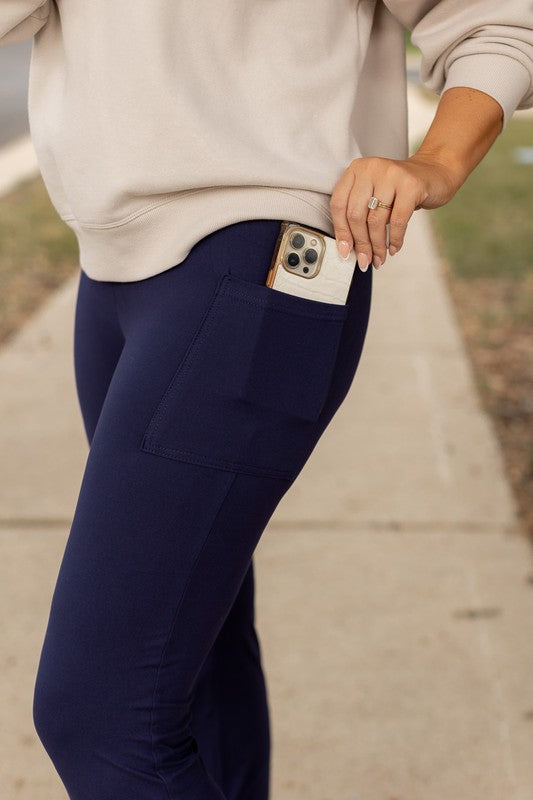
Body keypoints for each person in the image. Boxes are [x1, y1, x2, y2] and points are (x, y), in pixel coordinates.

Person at [2, 2, 532, 798]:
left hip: (259, 256)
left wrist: (434, 164)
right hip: (112, 275)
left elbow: (498, 21)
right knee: (193, 654)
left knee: (101, 713)